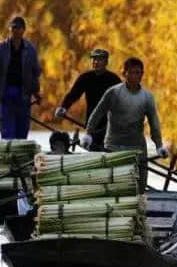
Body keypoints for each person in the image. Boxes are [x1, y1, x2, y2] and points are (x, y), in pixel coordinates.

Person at [82, 57, 169, 191]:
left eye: (138, 73)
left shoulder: (147, 97)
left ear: (142, 74)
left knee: (139, 186)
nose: (134, 76)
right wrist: (88, 134)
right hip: (113, 145)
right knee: (113, 185)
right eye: (131, 72)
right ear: (124, 73)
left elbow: (154, 122)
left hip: (136, 147)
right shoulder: (113, 92)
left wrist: (159, 145)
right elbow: (97, 113)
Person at [54, 49, 121, 151]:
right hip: (91, 125)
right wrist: (63, 107)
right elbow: (73, 94)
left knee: (108, 150)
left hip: (109, 125)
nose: (96, 62)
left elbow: (121, 101)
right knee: (94, 151)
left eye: (100, 60)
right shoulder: (86, 77)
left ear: (106, 62)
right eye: (94, 59)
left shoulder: (114, 79)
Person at [0, 16, 41, 139]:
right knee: (8, 129)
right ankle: (8, 151)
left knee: (22, 128)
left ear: (23, 30)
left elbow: (35, 72)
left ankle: (20, 153)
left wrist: (36, 92)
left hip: (23, 94)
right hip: (6, 92)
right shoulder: (1, 48)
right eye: (13, 27)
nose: (15, 30)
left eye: (18, 28)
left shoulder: (30, 50)